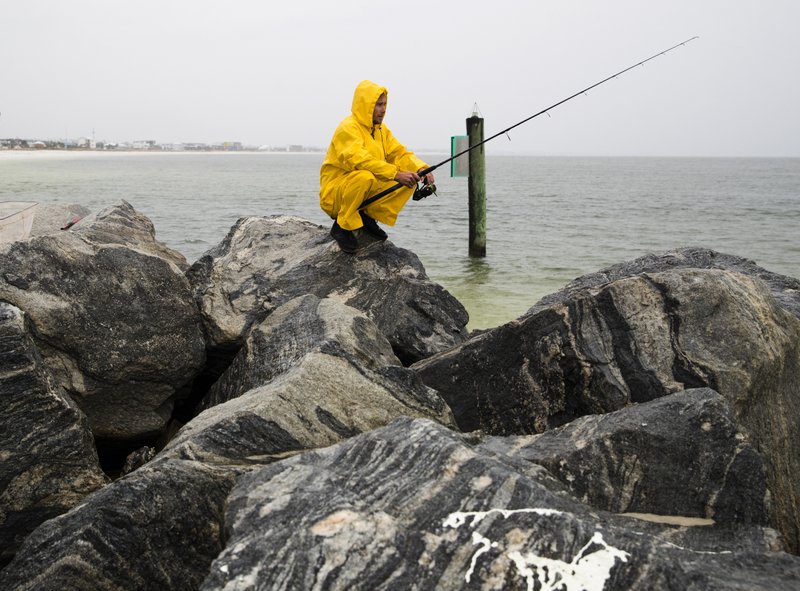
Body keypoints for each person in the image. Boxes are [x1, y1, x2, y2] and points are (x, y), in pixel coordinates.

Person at [320, 80, 435, 253]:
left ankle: (367, 217)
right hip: (335, 195)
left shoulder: (381, 130)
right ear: (366, 105)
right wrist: (395, 174)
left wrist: (421, 169)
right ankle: (342, 226)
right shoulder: (348, 127)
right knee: (365, 176)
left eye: (384, 104)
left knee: (409, 179)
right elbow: (360, 160)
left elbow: (399, 153)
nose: (383, 109)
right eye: (378, 105)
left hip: (361, 191)